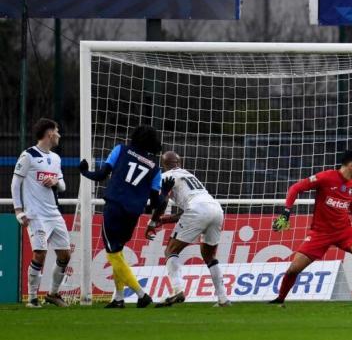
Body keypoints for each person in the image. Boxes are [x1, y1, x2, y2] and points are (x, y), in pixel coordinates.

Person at [269, 150, 352, 305]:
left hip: (344, 231)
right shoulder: (325, 177)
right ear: (351, 165)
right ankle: (279, 299)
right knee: (293, 269)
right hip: (320, 233)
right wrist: (286, 213)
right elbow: (295, 188)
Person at [80, 125, 173, 308]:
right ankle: (119, 298)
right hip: (132, 214)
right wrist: (165, 191)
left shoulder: (121, 150)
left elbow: (101, 175)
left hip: (114, 207)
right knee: (118, 251)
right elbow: (155, 203)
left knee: (112, 254)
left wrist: (83, 171)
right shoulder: (155, 168)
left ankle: (141, 294)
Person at [146, 151, 230, 307]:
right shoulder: (190, 175)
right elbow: (191, 209)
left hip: (197, 210)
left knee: (170, 250)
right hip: (216, 209)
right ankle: (223, 299)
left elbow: (163, 203)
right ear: (180, 162)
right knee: (209, 256)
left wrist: (153, 221)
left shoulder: (166, 177)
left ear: (164, 164)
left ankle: (177, 290)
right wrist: (164, 221)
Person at [11, 118, 70, 308]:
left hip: (54, 213)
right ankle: (33, 298)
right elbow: (15, 183)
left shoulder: (55, 158)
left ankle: (53, 294)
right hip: (35, 215)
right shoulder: (28, 155)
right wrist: (19, 211)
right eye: (57, 131)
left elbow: (62, 185)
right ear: (50, 133)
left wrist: (55, 182)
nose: (59, 135)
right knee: (40, 254)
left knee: (65, 255)